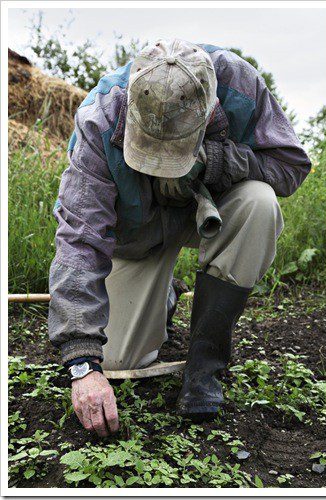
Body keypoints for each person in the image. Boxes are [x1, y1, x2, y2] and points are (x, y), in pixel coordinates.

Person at [48, 39, 311, 437]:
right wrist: (83, 364)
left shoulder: (239, 86)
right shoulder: (99, 120)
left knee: (260, 202)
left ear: (209, 111)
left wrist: (221, 160)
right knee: (116, 361)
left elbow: (290, 168)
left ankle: (205, 366)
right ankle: (164, 293)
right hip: (137, 235)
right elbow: (80, 242)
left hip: (213, 209)